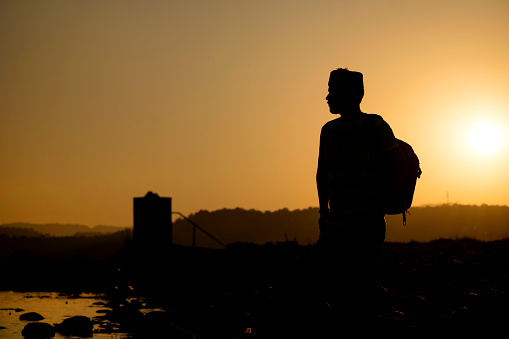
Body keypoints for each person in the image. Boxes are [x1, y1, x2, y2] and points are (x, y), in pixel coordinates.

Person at [315, 68, 408, 334]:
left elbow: (399, 167)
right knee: (318, 284)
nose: (327, 97)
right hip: (335, 226)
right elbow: (323, 174)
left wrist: (381, 206)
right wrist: (324, 213)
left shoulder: (375, 126)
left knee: (363, 292)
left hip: (367, 226)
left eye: (332, 91)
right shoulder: (328, 131)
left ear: (351, 94)